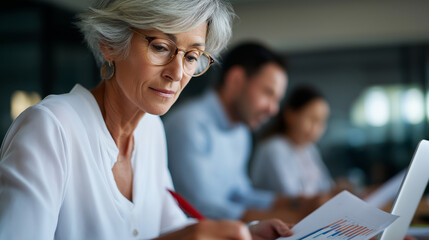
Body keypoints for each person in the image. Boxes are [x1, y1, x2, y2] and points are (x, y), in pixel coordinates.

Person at [0, 1, 294, 239]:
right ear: (109, 44)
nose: (177, 73)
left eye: (192, 56)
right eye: (161, 47)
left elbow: (170, 228)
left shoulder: (151, 129)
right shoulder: (50, 128)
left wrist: (247, 234)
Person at [165, 42, 320, 224]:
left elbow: (239, 194)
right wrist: (298, 217)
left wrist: (297, 203)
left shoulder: (241, 131)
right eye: (268, 93)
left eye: (277, 99)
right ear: (236, 80)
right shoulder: (188, 124)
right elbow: (202, 208)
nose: (273, 110)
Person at [250, 85, 334, 197]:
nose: (316, 129)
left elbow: (326, 186)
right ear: (290, 115)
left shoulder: (309, 150)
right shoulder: (274, 149)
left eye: (321, 122)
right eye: (311, 119)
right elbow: (292, 198)